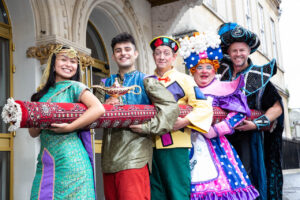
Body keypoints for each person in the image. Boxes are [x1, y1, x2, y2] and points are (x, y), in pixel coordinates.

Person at [94, 32, 179, 200]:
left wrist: (148, 127)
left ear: (135, 54)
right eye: (118, 50)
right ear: (113, 56)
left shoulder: (147, 80)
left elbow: (171, 107)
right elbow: (92, 116)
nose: (123, 53)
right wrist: (105, 106)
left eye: (127, 49)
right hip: (108, 160)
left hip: (136, 155)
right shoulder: (105, 85)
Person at [179, 31, 259, 199]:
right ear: (192, 70)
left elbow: (239, 113)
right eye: (199, 67)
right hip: (186, 145)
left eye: (209, 67)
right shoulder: (184, 88)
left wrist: (217, 130)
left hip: (215, 147)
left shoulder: (222, 88)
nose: (204, 71)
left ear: (214, 69)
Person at [217, 22, 284, 200]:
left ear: (249, 51)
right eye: (234, 50)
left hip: (249, 139)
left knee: (247, 181)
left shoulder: (259, 76)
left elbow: (277, 108)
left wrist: (255, 124)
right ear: (229, 53)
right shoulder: (219, 75)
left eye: (242, 50)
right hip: (221, 137)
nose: (238, 54)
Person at [29, 45, 105, 199]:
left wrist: (69, 127)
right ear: (53, 64)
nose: (69, 65)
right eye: (63, 60)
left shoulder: (75, 87)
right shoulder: (40, 94)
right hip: (46, 160)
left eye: (73, 62)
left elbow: (98, 108)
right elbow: (33, 133)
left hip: (72, 161)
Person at [149, 36, 213, 200]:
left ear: (174, 57)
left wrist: (185, 121)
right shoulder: (148, 81)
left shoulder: (184, 79)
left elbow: (204, 106)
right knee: (157, 194)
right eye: (158, 53)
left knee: (177, 193)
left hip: (175, 143)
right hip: (149, 145)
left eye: (166, 53)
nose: (162, 57)